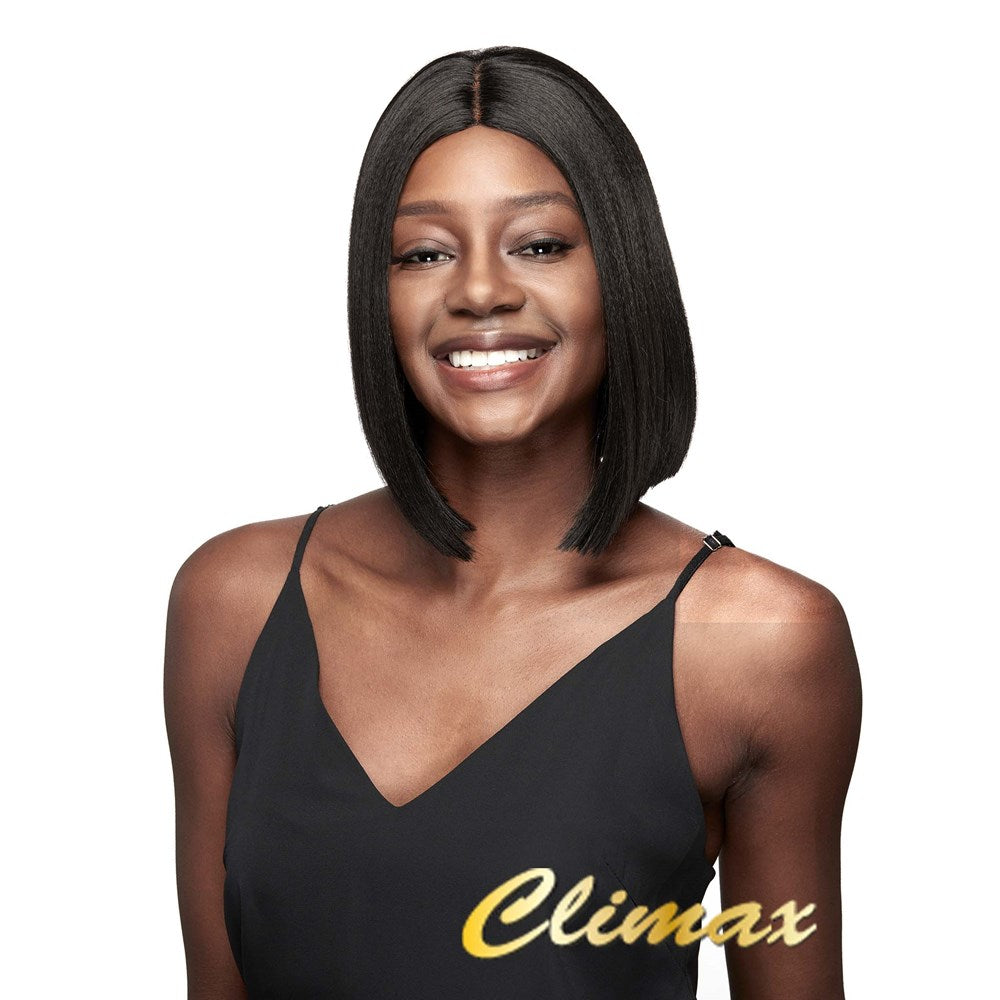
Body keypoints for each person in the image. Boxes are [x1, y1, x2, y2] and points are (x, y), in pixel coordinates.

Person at [164, 45, 862, 1000]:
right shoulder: (234, 604)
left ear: (621, 270)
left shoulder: (758, 643)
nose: (480, 290)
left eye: (539, 244)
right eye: (424, 253)